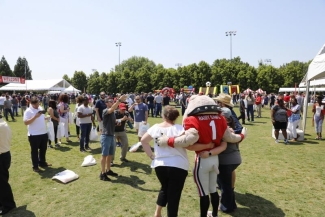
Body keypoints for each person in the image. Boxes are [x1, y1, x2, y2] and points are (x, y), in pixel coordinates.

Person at [141, 106, 204, 217]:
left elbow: (143, 140)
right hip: (178, 165)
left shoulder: (155, 127)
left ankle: (157, 213)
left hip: (160, 165)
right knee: (174, 195)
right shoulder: (181, 129)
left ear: (163, 115)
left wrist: (151, 156)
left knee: (165, 188)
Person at [217, 107, 242, 213]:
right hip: (233, 158)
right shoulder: (231, 128)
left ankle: (226, 207)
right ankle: (231, 204)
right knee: (225, 184)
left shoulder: (226, 129)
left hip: (226, 160)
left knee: (225, 185)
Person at [99, 95, 127, 181]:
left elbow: (114, 121)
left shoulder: (113, 113)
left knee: (110, 155)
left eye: (112, 101)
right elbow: (111, 109)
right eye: (110, 102)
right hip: (106, 136)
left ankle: (108, 170)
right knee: (104, 155)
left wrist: (120, 121)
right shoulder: (105, 111)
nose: (112, 103)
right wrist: (119, 100)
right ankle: (102, 173)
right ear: (106, 103)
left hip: (111, 135)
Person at [23, 96, 52, 172]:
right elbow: (26, 122)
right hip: (34, 134)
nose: (37, 105)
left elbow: (41, 117)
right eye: (36, 104)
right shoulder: (28, 111)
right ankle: (35, 166)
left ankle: (42, 162)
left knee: (43, 149)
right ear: (32, 104)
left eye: (38, 103)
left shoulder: (40, 108)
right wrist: (35, 117)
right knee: (34, 151)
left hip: (43, 133)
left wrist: (46, 118)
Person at [0, 113, 16, 215]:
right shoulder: (4, 124)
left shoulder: (1, 126)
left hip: (1, 155)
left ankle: (8, 205)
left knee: (2, 183)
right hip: (4, 154)